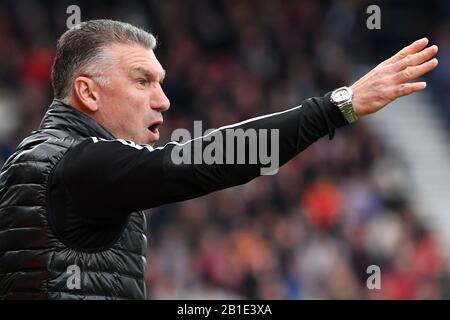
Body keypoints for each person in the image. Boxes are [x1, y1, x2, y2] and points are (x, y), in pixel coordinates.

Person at [0, 19, 438, 300]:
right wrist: (338, 106)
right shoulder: (79, 163)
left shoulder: (40, 162)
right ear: (88, 92)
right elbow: (202, 160)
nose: (163, 100)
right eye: (141, 81)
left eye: (161, 82)